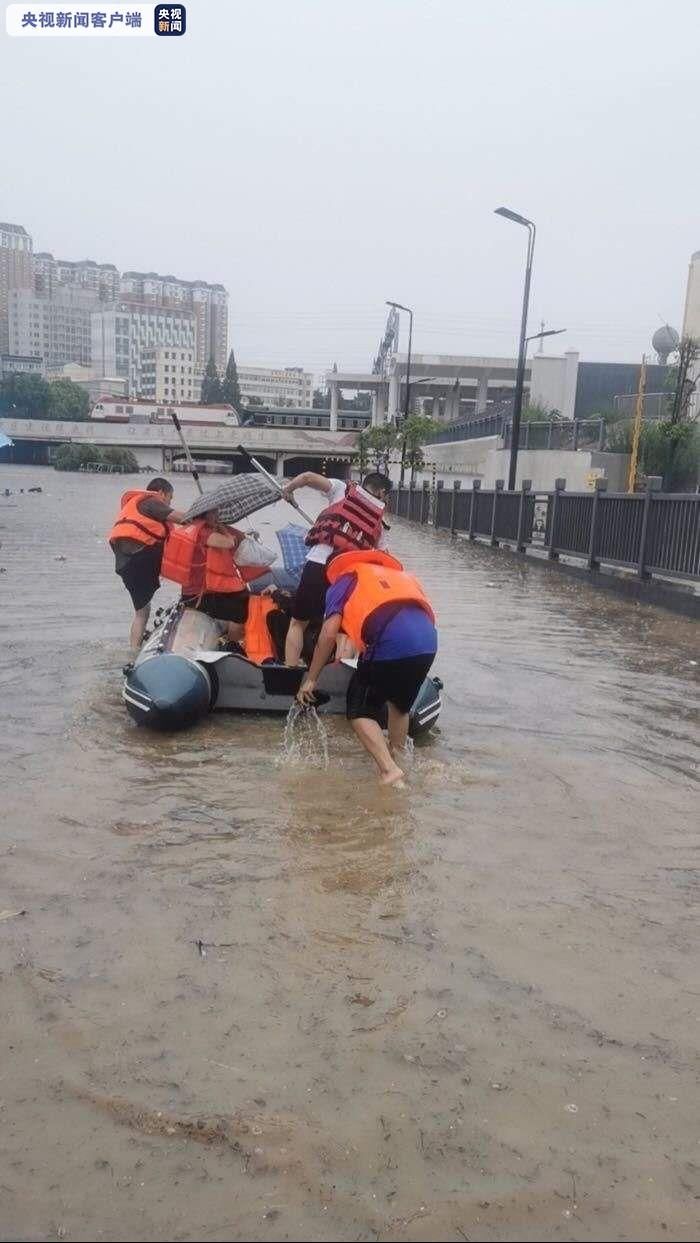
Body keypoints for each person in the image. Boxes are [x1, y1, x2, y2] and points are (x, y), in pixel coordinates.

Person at [297, 549, 437, 788]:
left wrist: (311, 678)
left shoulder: (344, 581)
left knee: (359, 709)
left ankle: (389, 770)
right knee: (399, 706)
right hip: (428, 643)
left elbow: (328, 633)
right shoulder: (400, 578)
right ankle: (399, 759)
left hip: (391, 640)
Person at [281, 470, 392, 667]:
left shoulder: (342, 489)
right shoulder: (380, 523)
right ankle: (337, 676)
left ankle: (289, 671)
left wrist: (288, 489)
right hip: (345, 578)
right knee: (344, 632)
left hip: (317, 565)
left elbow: (307, 477)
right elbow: (384, 560)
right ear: (382, 493)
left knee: (298, 623)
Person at [108, 477, 186, 649]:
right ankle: (192, 597)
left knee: (142, 612)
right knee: (184, 548)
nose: (168, 502)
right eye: (169, 498)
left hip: (125, 565)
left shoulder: (136, 505)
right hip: (142, 557)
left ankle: (134, 651)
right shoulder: (151, 500)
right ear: (161, 492)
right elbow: (180, 518)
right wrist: (202, 517)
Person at [161, 510, 250, 644]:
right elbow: (228, 543)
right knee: (241, 602)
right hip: (200, 596)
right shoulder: (204, 533)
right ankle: (234, 644)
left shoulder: (193, 529)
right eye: (214, 514)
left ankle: (228, 637)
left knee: (239, 595)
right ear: (204, 514)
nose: (217, 516)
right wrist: (224, 530)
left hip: (193, 592)